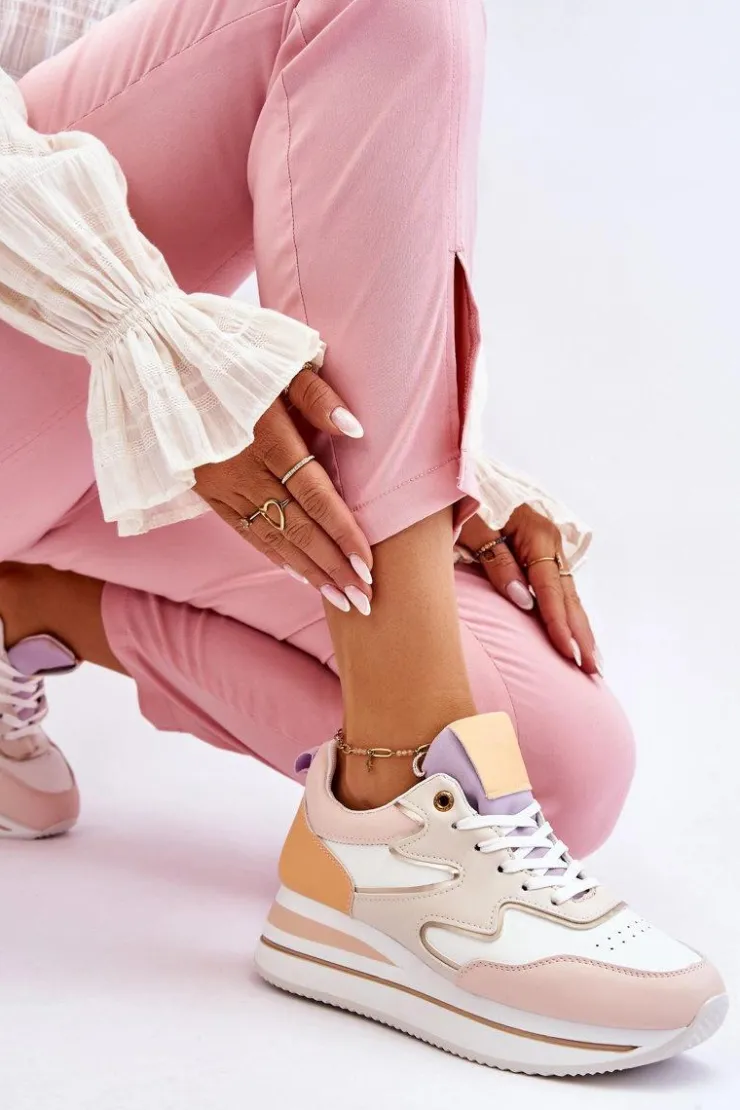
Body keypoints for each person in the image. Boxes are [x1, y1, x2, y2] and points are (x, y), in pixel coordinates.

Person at [0, 0, 726, 1076]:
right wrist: (147, 330)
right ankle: (394, 800)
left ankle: (33, 604)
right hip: (76, 339)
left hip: (72, 420)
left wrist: (440, 479)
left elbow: (333, 190)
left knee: (566, 768)